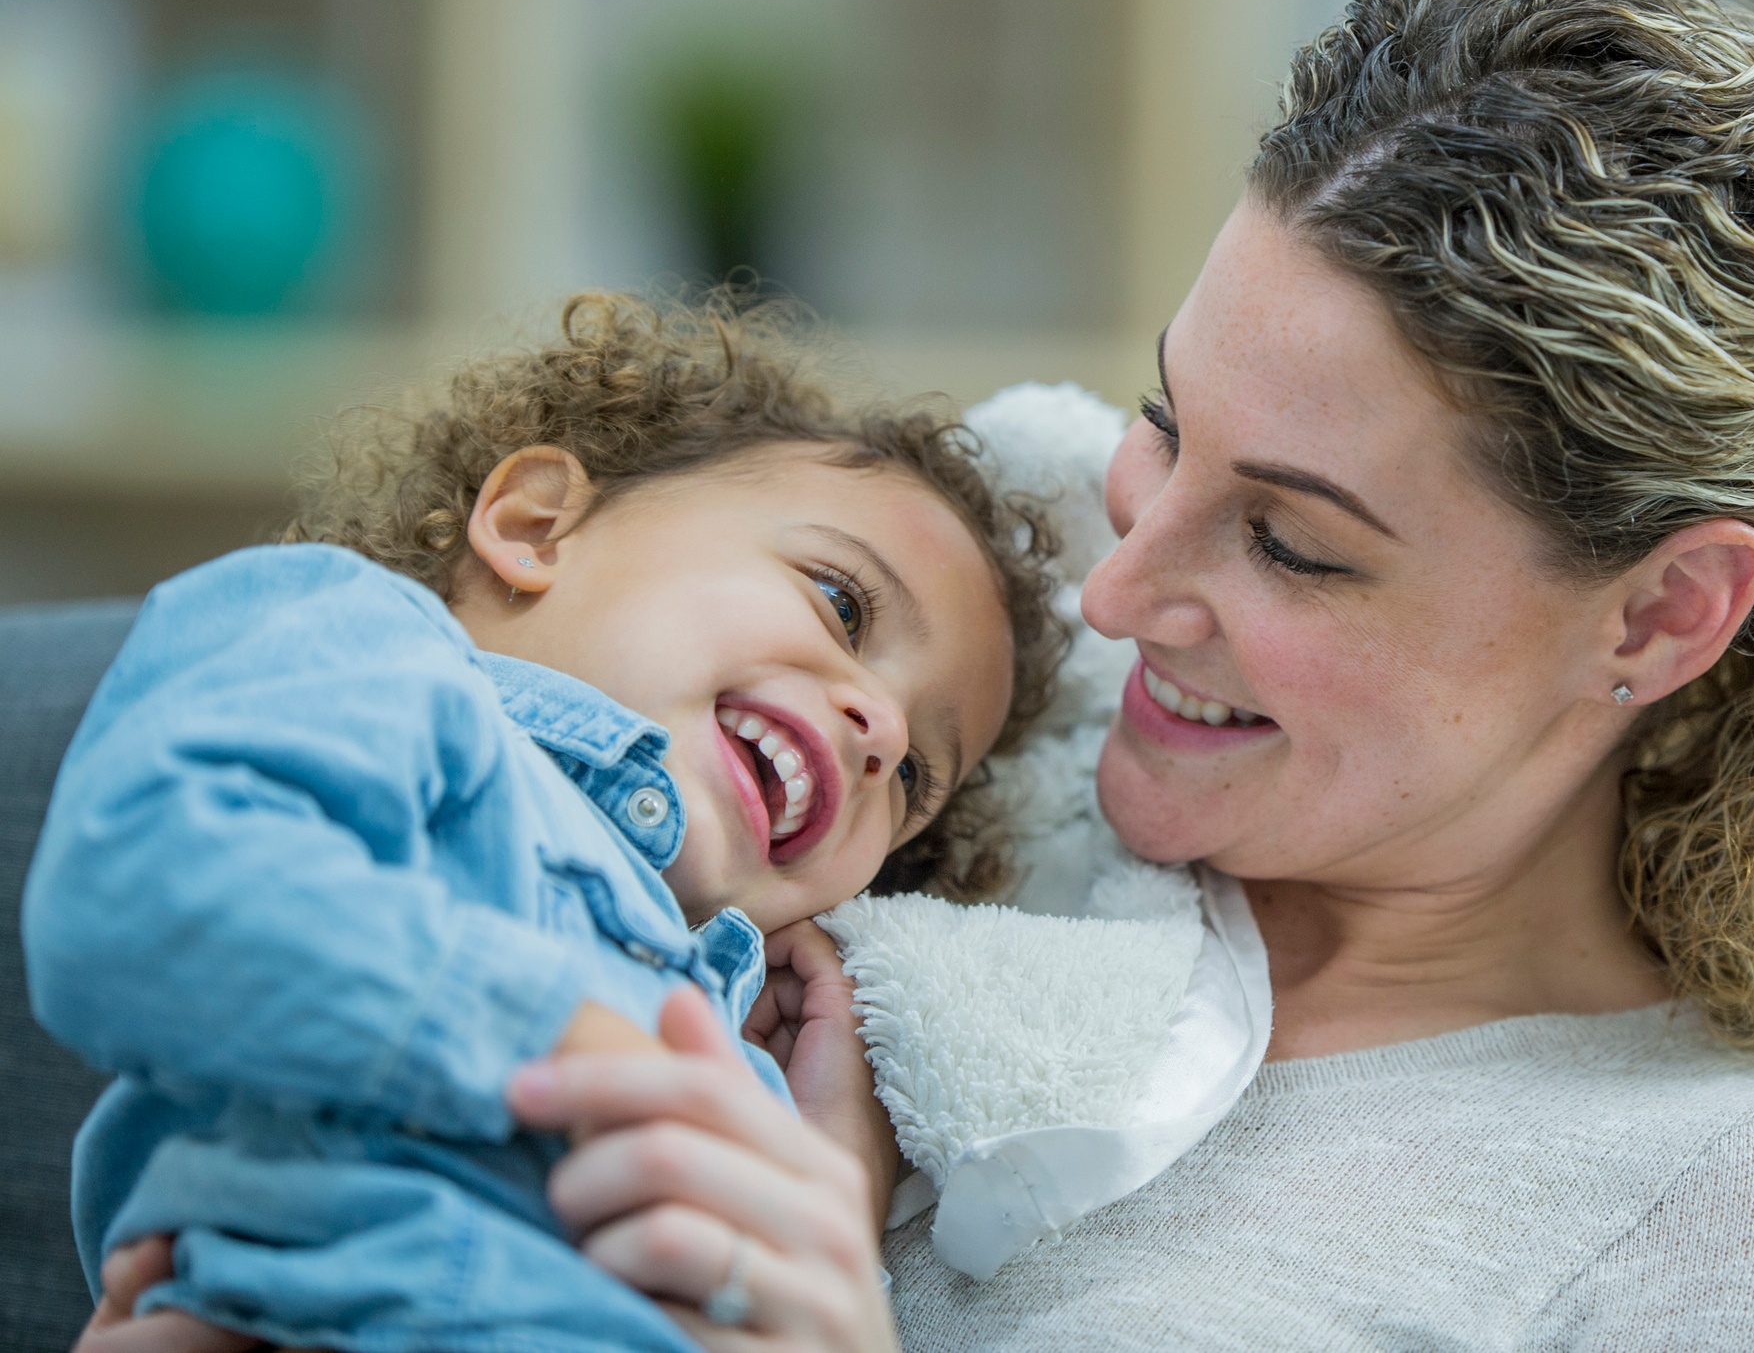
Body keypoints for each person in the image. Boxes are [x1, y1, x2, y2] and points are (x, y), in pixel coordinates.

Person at [78, 0, 1754, 1352]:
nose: (1121, 589)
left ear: (1659, 614)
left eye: (1295, 545)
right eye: (1165, 426)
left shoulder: (1749, 1206)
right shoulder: (939, 842)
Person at [27, 292, 1062, 1352]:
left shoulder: (740, 1064)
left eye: (915, 778)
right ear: (533, 526)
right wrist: (564, 1048)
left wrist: (829, 1187)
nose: (881, 727)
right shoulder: (367, 652)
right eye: (843, 604)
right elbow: (142, 882)